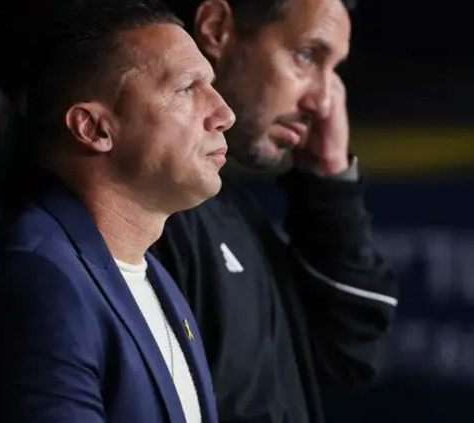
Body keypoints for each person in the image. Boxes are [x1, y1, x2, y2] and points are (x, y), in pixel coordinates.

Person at [0, 0, 235, 422]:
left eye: (211, 86)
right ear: (94, 128)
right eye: (186, 88)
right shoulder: (34, 280)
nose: (223, 114)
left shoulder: (157, 280)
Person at [151, 1, 398, 422]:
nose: (324, 102)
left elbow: (346, 355)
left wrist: (329, 179)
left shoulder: (230, 206)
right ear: (217, 28)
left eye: (334, 69)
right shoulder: (151, 210)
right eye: (307, 55)